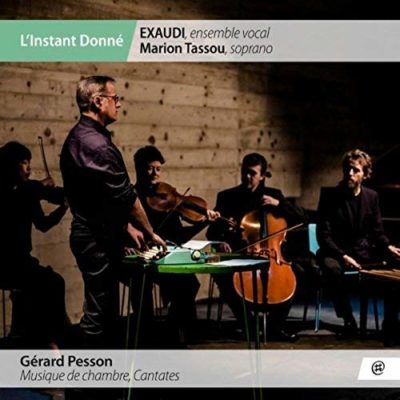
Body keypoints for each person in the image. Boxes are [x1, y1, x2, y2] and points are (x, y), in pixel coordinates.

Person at [60, 76, 165, 349]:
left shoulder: (84, 137)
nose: (118, 104)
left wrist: (126, 227)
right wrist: (150, 233)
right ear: (98, 101)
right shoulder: (95, 144)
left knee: (106, 314)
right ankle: (87, 375)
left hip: (99, 234)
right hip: (95, 240)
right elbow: (126, 197)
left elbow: (100, 198)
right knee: (98, 316)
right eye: (115, 98)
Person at [206, 152, 305, 341]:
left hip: (272, 255)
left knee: (298, 273)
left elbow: (301, 218)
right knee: (221, 274)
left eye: (252, 173)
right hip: (239, 254)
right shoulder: (227, 197)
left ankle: (275, 327)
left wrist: (279, 204)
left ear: (262, 175)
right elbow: (212, 232)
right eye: (244, 172)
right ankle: (249, 326)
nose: (247, 177)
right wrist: (222, 241)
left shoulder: (274, 195)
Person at [131, 145, 219, 343]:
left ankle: (173, 331)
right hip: (144, 256)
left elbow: (179, 237)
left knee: (190, 284)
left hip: (168, 253)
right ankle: (157, 334)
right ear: (138, 169)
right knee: (175, 285)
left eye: (158, 169)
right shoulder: (132, 198)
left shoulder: (168, 199)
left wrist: (204, 222)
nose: (155, 173)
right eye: (150, 168)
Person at [316, 149, 400, 339]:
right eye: (348, 169)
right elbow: (324, 236)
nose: (350, 173)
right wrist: (343, 256)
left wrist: (388, 246)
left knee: (396, 267)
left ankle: (391, 323)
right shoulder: (330, 196)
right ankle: (348, 319)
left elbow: (377, 232)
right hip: (334, 251)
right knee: (332, 269)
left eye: (355, 170)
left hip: (361, 251)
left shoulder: (372, 196)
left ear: (365, 174)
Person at [0, 141, 68, 348]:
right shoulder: (27, 191)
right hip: (15, 264)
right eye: (24, 163)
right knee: (54, 283)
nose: (28, 168)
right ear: (11, 165)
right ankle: (51, 340)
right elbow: (44, 224)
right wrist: (63, 205)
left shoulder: (27, 190)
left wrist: (40, 187)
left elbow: (41, 220)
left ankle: (22, 333)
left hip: (14, 265)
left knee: (33, 287)